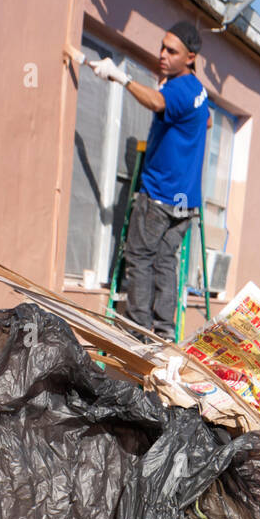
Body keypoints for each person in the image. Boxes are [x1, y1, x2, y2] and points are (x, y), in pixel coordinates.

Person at [92, 22, 210, 340]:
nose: (162, 55)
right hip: (186, 200)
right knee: (164, 261)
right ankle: (164, 330)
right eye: (161, 47)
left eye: (171, 51)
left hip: (160, 193)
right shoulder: (199, 92)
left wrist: (121, 77)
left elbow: (158, 103)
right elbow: (207, 120)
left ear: (190, 57)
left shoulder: (176, 90)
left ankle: (138, 331)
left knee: (140, 258)